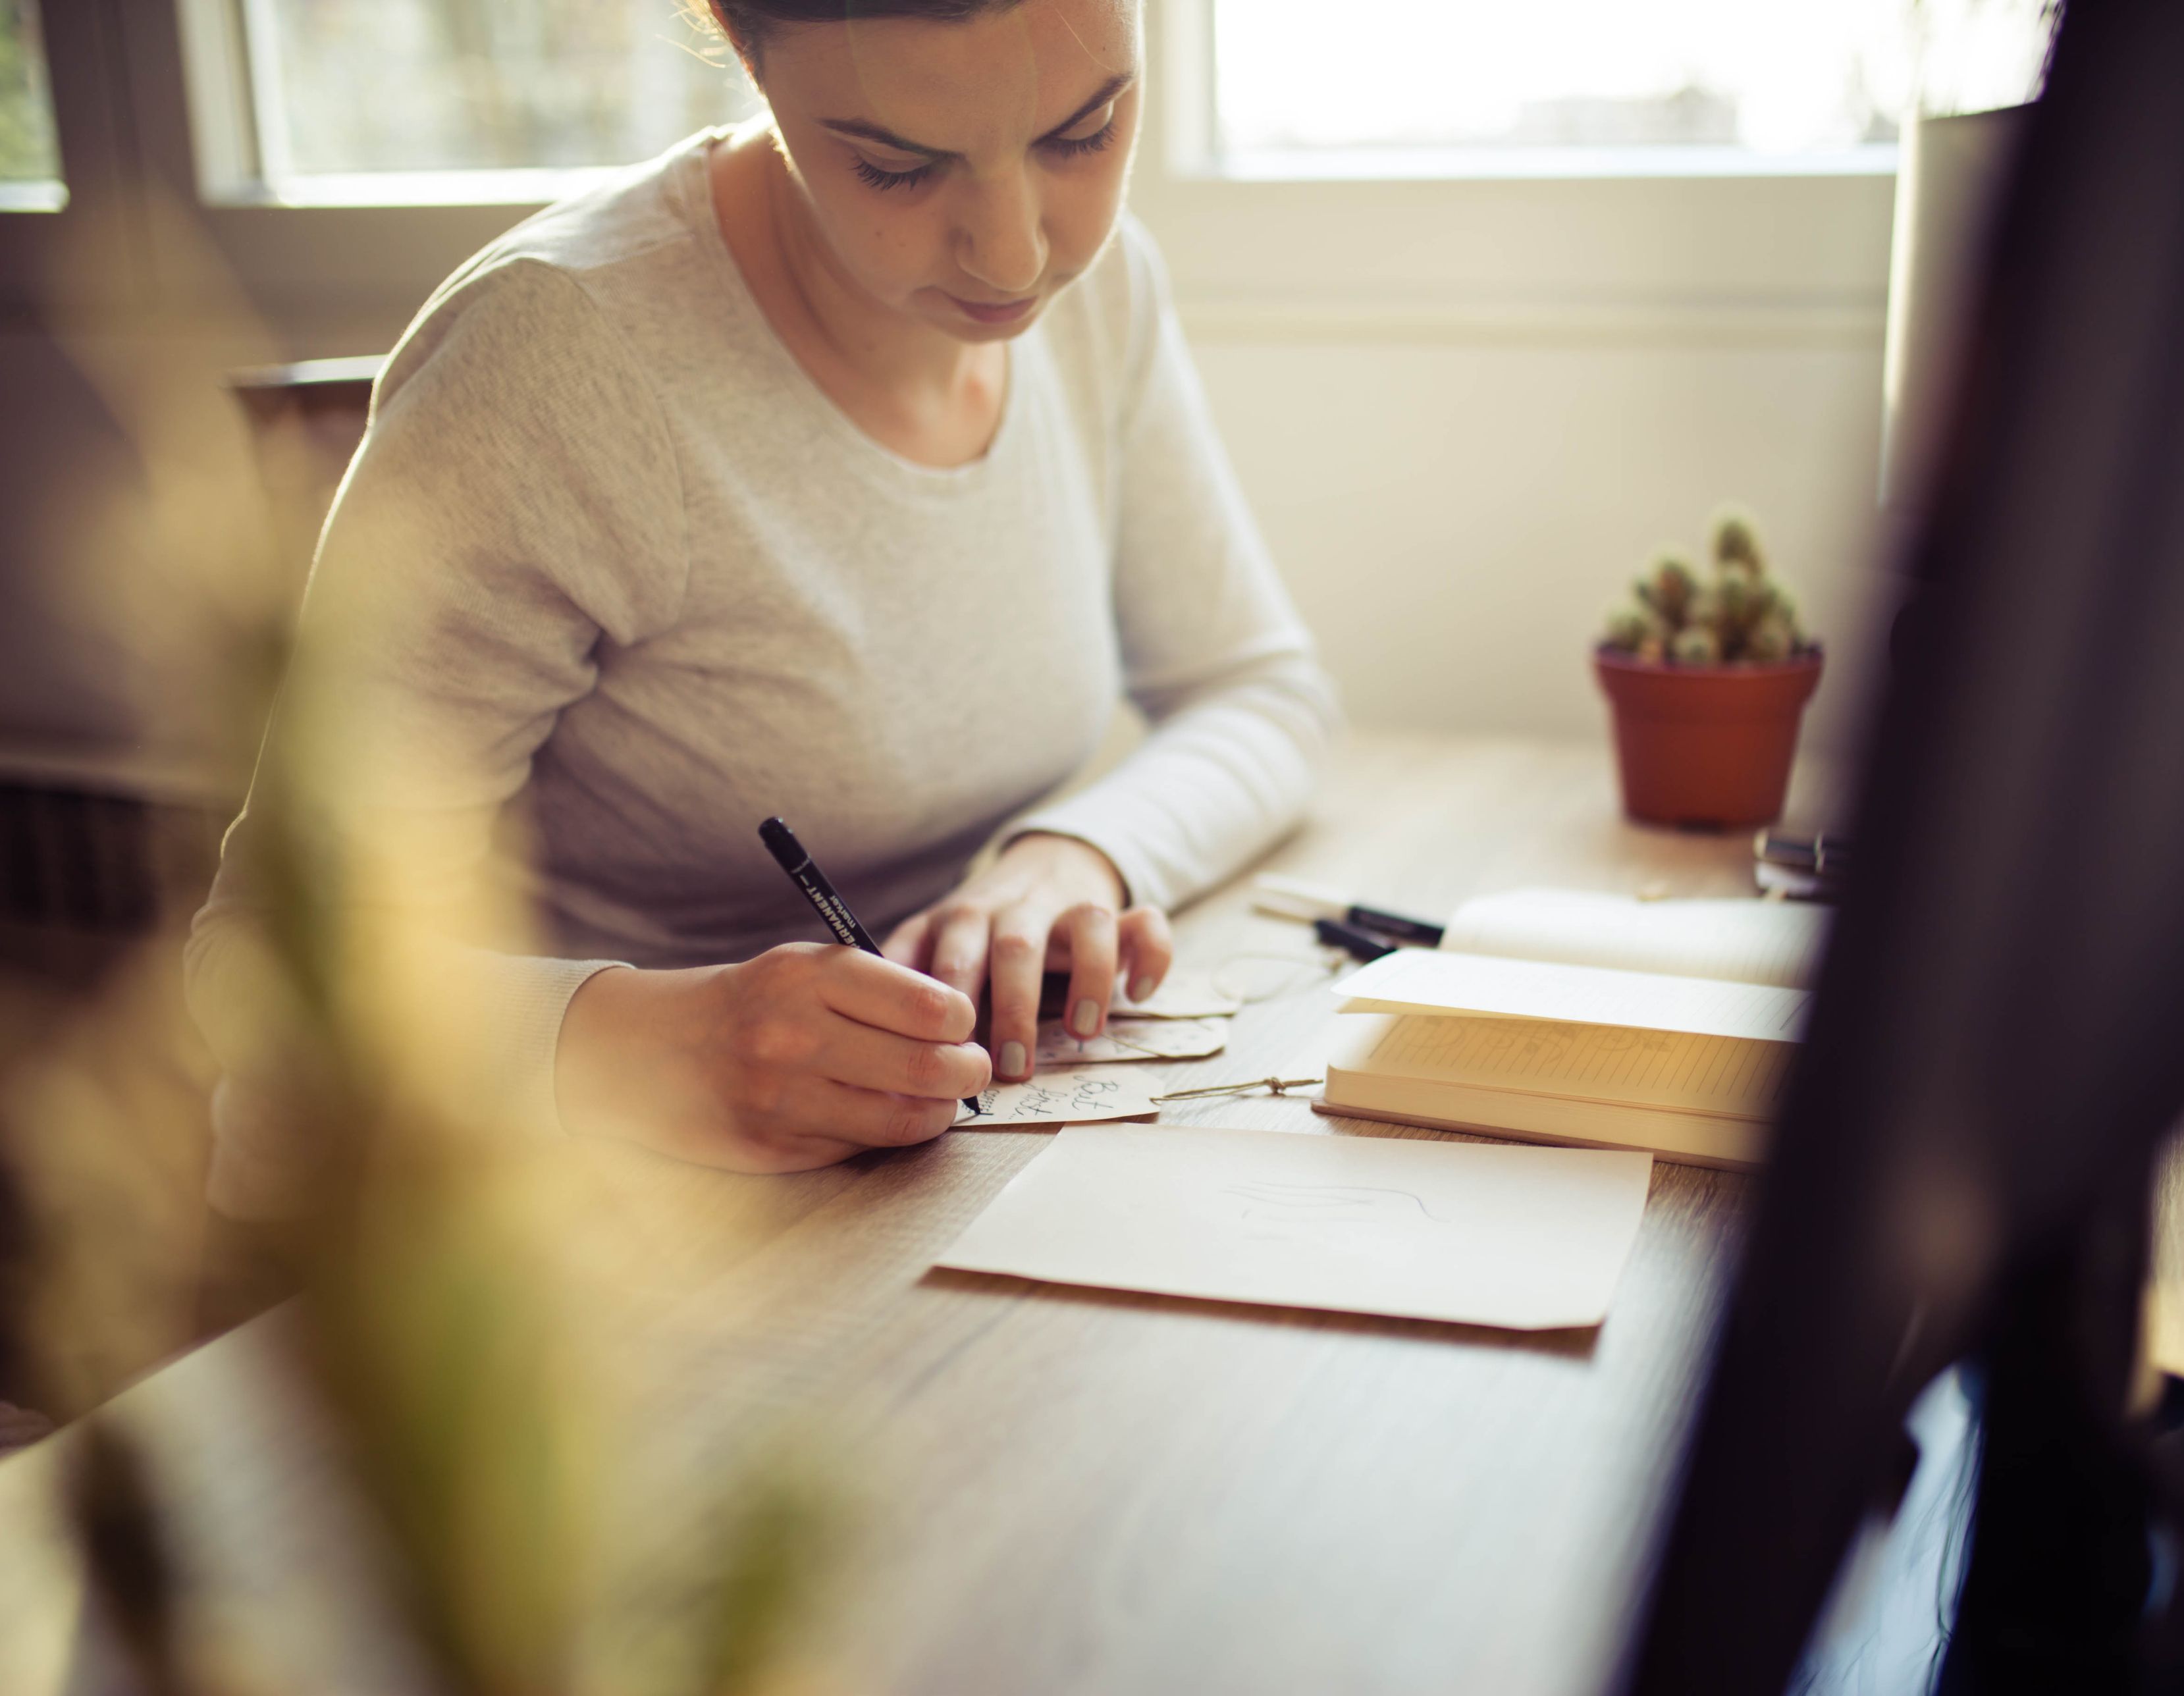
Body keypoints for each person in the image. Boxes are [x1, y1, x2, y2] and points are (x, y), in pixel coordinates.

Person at [185, 0, 1338, 1211]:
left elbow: (1260, 689)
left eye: (1082, 135)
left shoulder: (1103, 296)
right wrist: (647, 1043)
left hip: (883, 1191)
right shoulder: (556, 360)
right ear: (746, 56)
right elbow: (265, 967)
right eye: (897, 166)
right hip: (484, 1246)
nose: (1013, 256)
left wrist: (1077, 857)